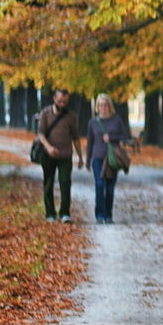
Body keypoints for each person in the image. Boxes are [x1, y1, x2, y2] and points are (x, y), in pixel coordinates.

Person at [36, 88, 83, 222]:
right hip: (48, 155)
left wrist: (80, 157)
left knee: (65, 183)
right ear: (54, 99)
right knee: (48, 183)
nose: (62, 104)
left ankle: (64, 213)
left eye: (65, 102)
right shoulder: (45, 113)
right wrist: (49, 147)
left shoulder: (71, 116)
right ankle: (50, 213)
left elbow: (75, 137)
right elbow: (41, 134)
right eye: (60, 101)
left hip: (65, 155)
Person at [85, 93, 130, 224]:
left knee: (110, 188)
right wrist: (88, 161)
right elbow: (90, 142)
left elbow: (125, 136)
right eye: (100, 105)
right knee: (99, 185)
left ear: (110, 106)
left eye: (105, 105)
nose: (103, 107)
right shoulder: (93, 122)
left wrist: (112, 138)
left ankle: (108, 215)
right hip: (97, 158)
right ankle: (99, 214)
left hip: (112, 159)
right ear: (97, 107)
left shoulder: (116, 120)